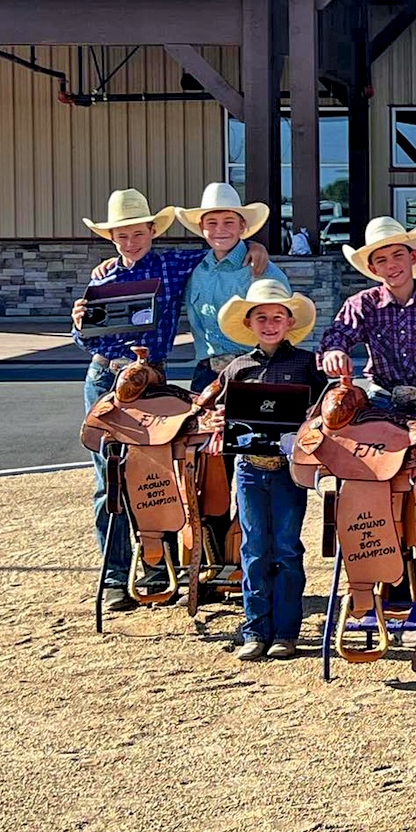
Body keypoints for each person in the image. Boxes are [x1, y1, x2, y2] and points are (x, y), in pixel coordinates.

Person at [71, 188, 267, 614]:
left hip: (151, 376)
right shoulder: (101, 279)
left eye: (137, 233)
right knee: (110, 480)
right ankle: (114, 578)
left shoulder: (175, 264)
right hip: (107, 373)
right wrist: (79, 322)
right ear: (112, 238)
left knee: (154, 471)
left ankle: (161, 566)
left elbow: (220, 251)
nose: (130, 242)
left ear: (152, 231)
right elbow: (85, 338)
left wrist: (254, 245)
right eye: (122, 235)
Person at [202, 280, 326, 661]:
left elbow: (324, 408)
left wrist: (311, 420)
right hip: (249, 468)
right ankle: (256, 627)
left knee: (287, 547)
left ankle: (286, 632)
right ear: (250, 323)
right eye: (261, 317)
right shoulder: (237, 368)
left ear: (290, 322)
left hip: (287, 469)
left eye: (277, 316)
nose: (270, 323)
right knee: (253, 547)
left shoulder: (307, 364)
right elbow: (218, 412)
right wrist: (217, 421)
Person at [319, 217, 416, 406]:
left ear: (413, 257)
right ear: (373, 269)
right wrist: (334, 351)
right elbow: (340, 333)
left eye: (398, 255)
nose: (391, 265)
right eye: (381, 260)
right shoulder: (363, 304)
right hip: (381, 398)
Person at [175, 182, 288, 393]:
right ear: (202, 228)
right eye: (212, 222)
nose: (220, 230)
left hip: (254, 372)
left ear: (242, 226)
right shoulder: (193, 268)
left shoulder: (263, 271)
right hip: (206, 373)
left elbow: (282, 328)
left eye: (229, 222)